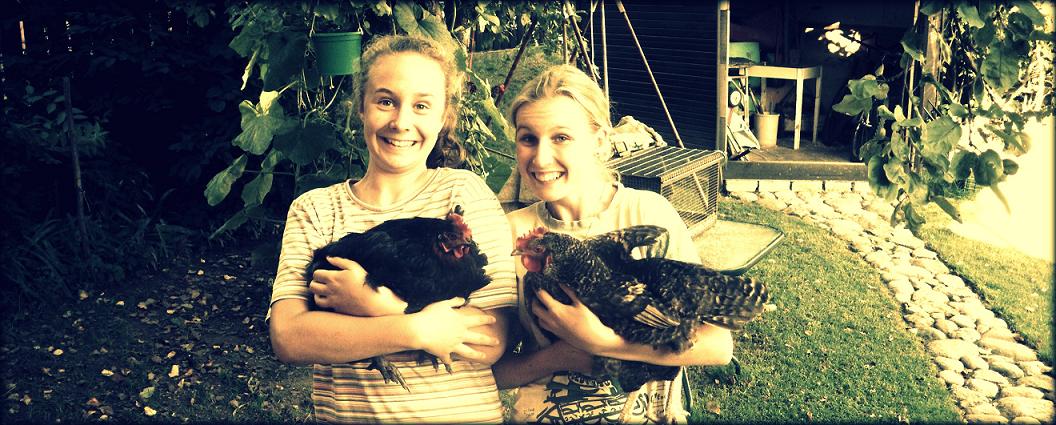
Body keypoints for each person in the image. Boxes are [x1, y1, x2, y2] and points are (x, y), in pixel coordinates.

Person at [267, 35, 517, 424]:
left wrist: (376, 307)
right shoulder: (315, 209)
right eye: (386, 101)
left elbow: (490, 340)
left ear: (443, 117)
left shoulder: (464, 196)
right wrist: (419, 330)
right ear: (361, 107)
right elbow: (290, 338)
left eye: (421, 105)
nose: (401, 122)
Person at [493, 64, 734, 424]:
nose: (540, 158)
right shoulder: (513, 234)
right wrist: (561, 356)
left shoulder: (647, 215)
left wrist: (602, 343)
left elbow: (717, 346)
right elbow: (493, 372)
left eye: (561, 137)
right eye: (528, 139)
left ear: (600, 141)